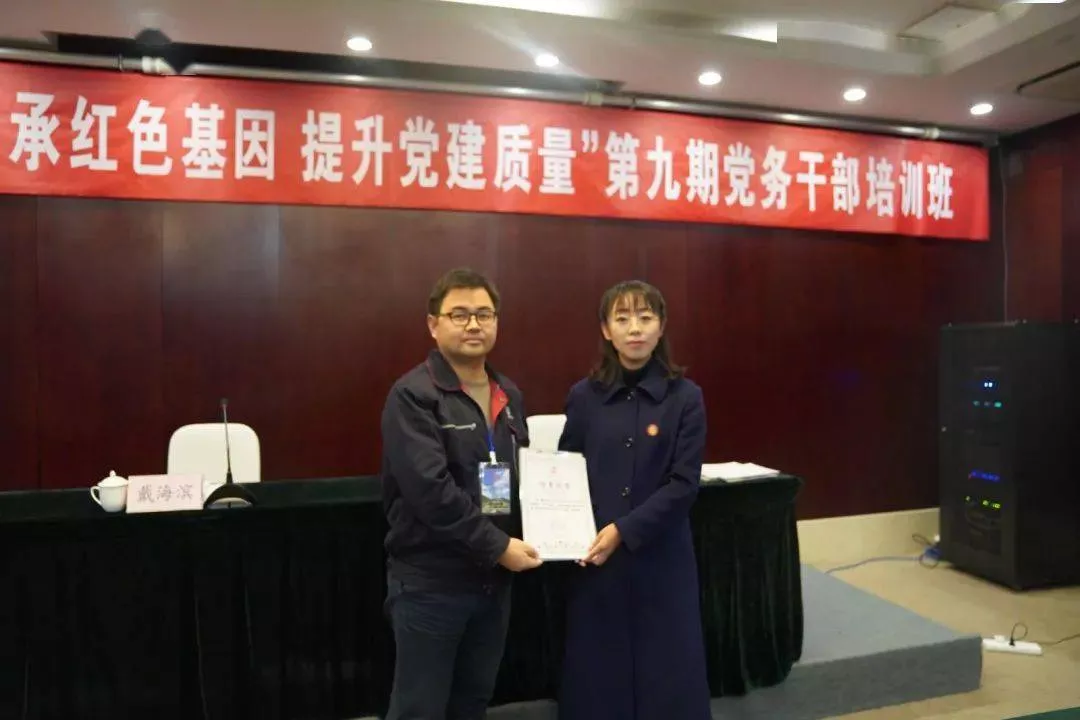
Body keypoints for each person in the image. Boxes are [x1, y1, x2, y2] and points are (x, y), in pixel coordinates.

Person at [380, 268, 543, 720]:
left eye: (484, 314)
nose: (474, 324)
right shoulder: (413, 396)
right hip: (432, 583)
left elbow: (518, 478)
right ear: (433, 325)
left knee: (472, 703)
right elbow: (430, 491)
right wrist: (499, 546)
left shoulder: (508, 395)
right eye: (460, 314)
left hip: (493, 583)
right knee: (420, 709)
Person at [557, 280, 712, 720]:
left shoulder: (686, 398)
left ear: (661, 327)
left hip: (661, 556)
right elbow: (566, 471)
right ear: (606, 330)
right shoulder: (583, 396)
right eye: (622, 318)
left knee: (667, 667)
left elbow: (684, 484)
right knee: (598, 668)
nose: (635, 328)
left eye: (645, 317)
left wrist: (625, 530)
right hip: (596, 556)